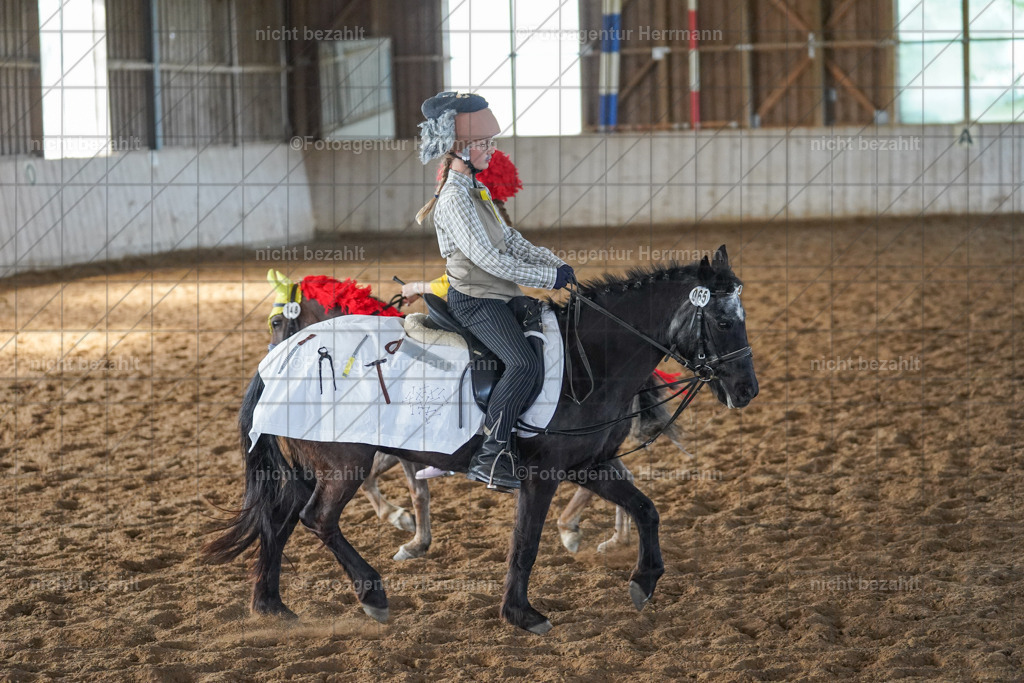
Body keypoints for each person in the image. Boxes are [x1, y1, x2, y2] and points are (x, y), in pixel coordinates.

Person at [416, 91, 575, 492]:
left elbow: (511, 241)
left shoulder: (476, 190)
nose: (492, 150)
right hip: (475, 300)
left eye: (491, 142)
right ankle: (492, 452)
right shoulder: (454, 198)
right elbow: (491, 261)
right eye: (484, 143)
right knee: (522, 364)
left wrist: (554, 263)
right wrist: (545, 279)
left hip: (498, 294)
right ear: (460, 149)